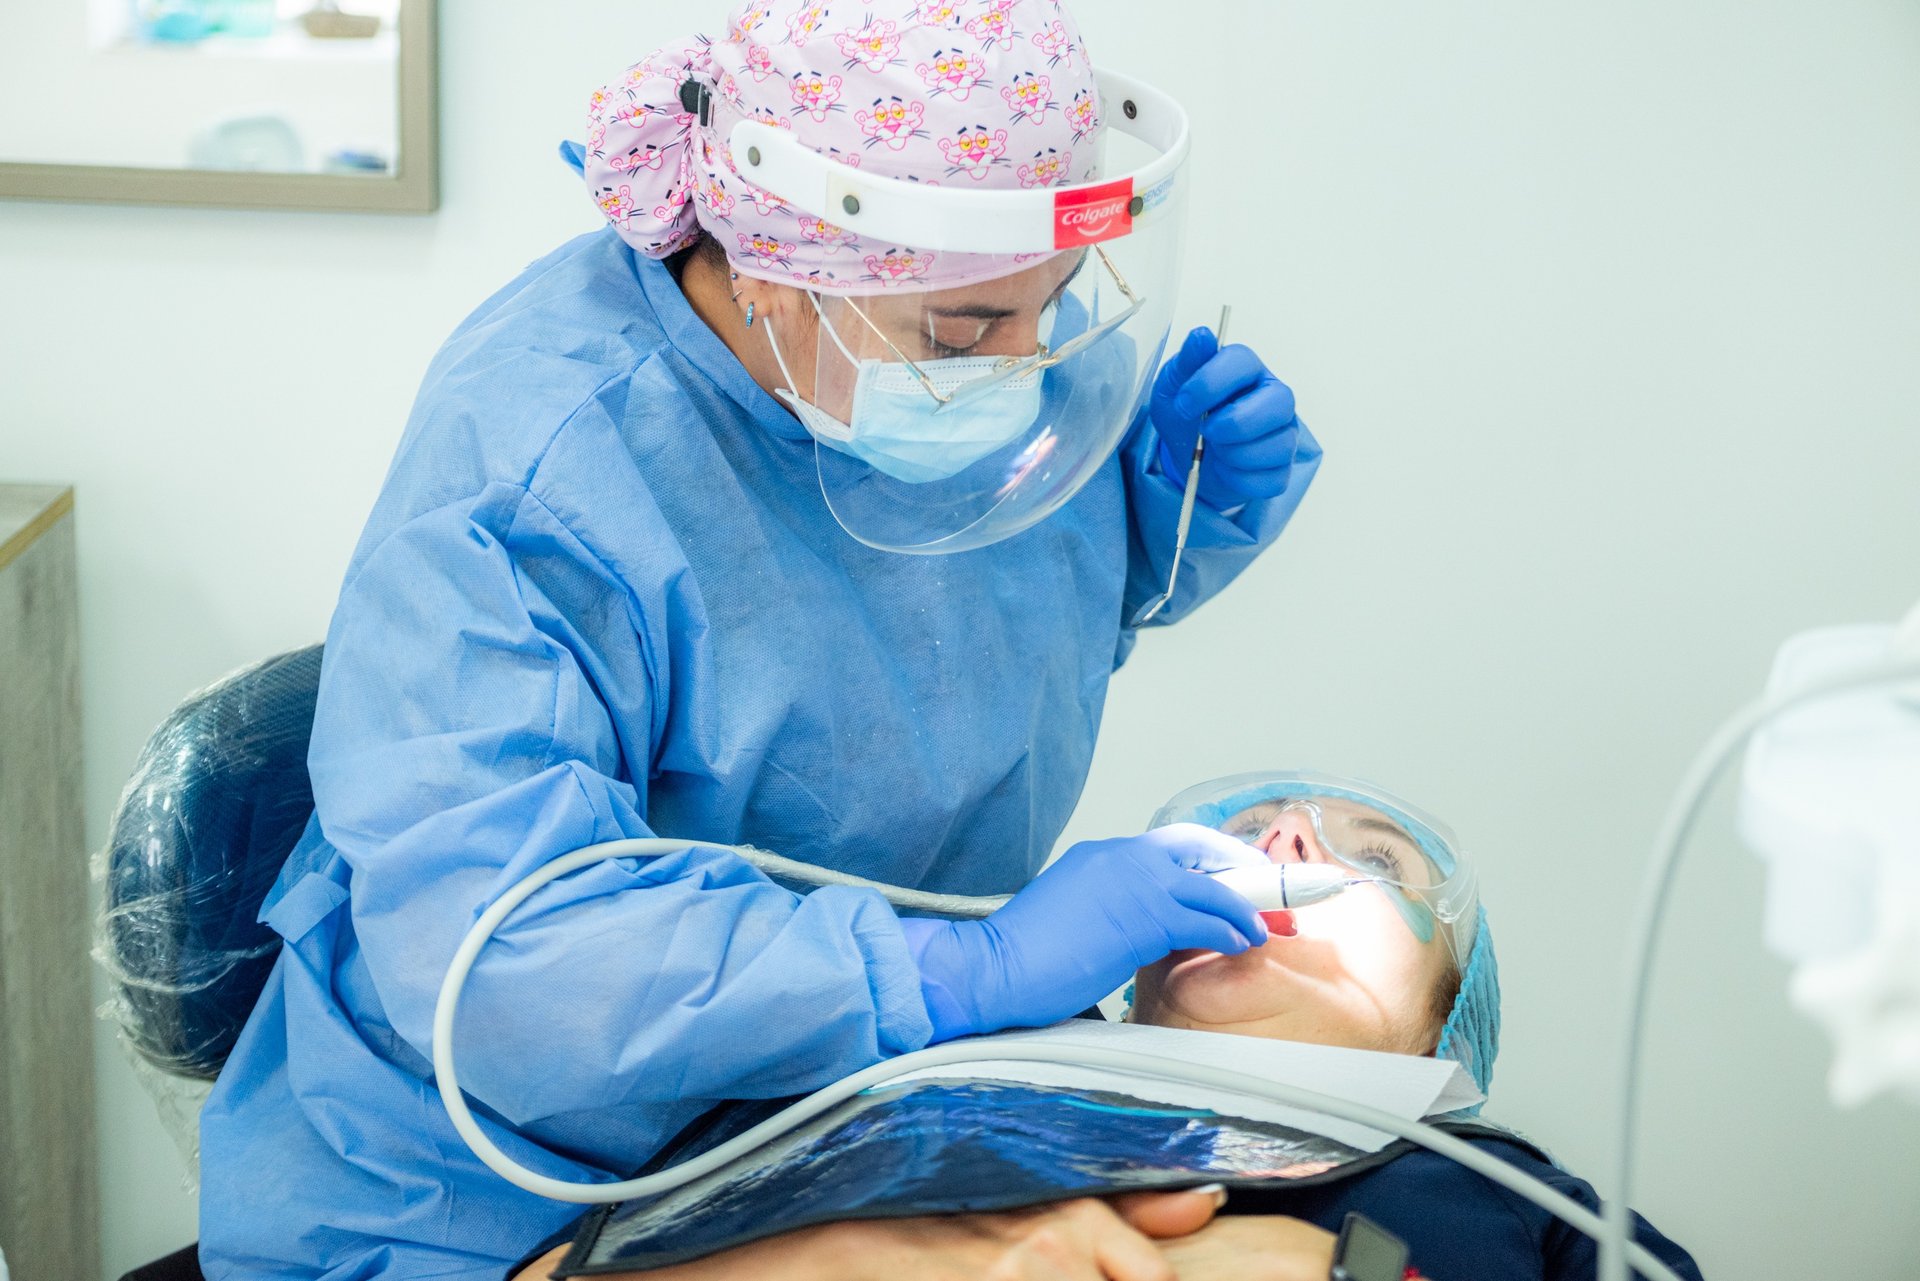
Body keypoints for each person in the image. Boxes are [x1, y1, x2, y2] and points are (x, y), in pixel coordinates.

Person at [195, 3, 1320, 1278]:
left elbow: (935, 661)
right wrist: (960, 972)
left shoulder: (901, 363)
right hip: (492, 1179)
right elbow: (508, 964)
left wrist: (1166, 523)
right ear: (776, 271)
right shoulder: (539, 467)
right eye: (967, 337)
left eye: (1051, 312)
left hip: (830, 1110)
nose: (1022, 374)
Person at [511, 773, 1702, 1281]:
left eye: (1373, 854)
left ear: (1449, 1030)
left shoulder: (1531, 1212)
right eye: (1251, 825)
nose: (1283, 843)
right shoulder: (898, 1084)